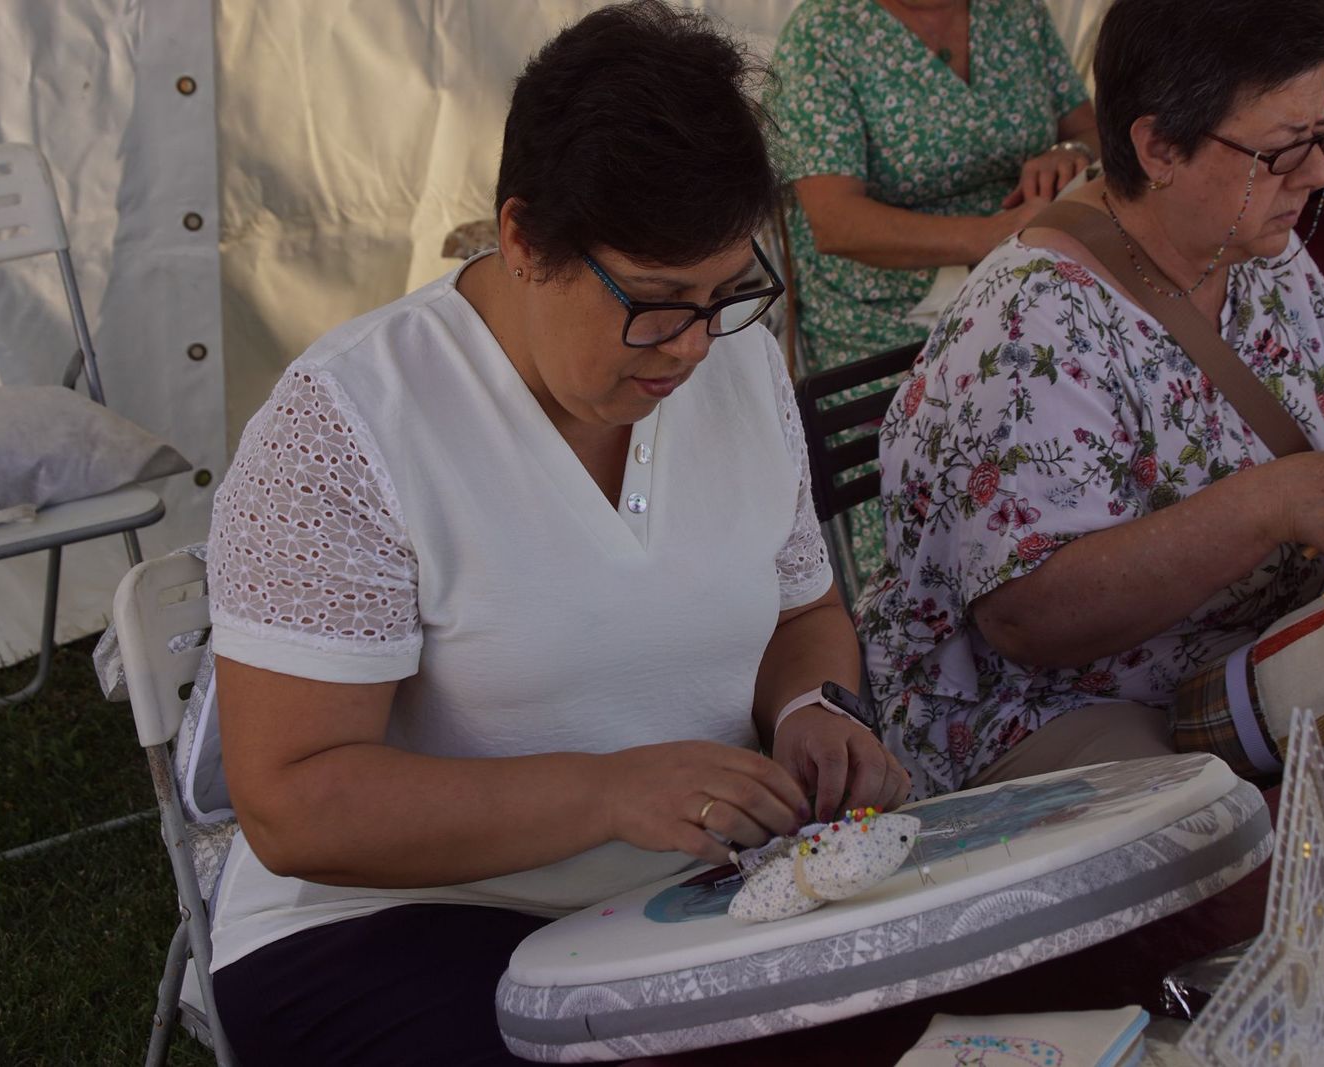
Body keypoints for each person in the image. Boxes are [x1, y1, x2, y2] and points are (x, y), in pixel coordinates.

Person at [200, 3, 908, 1062]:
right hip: (391, 923)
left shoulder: (743, 369)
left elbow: (803, 605)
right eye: (658, 301)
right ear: (524, 238)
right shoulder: (348, 422)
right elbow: (297, 804)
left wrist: (813, 707)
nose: (691, 347)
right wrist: (608, 789)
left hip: (693, 891)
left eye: (726, 294)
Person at [855, 0, 1324, 800]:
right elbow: (1028, 619)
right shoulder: (1033, 319)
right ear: (1158, 147)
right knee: (1241, 824)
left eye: (1323, 135)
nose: (1321, 173)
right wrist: (1270, 504)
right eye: (1285, 149)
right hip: (1057, 703)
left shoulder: (1258, 243)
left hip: (1252, 649)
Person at [767, 0, 1100, 580]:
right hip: (887, 318)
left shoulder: (1015, 11)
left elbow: (1090, 128)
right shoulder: (824, 35)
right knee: (937, 530)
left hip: (1023, 287)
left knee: (1072, 465)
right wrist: (992, 237)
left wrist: (1069, 153)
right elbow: (835, 222)